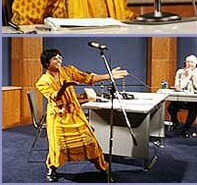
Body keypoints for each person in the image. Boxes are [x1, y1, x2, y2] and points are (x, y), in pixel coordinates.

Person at [36, 48, 128, 182]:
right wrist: (64, 87)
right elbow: (55, 97)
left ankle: (103, 168)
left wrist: (110, 75)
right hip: (58, 117)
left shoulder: (68, 71)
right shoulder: (42, 81)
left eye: (60, 57)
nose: (59, 60)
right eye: (55, 58)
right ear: (47, 63)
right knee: (57, 146)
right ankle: (52, 168)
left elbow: (88, 78)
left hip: (75, 114)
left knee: (91, 143)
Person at [167, 54, 197, 138]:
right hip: (181, 99)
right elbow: (179, 87)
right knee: (171, 108)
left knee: (195, 108)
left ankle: (186, 129)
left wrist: (193, 76)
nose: (189, 64)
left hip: (193, 101)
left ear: (196, 63)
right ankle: (176, 123)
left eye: (192, 62)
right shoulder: (180, 72)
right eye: (188, 62)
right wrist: (187, 76)